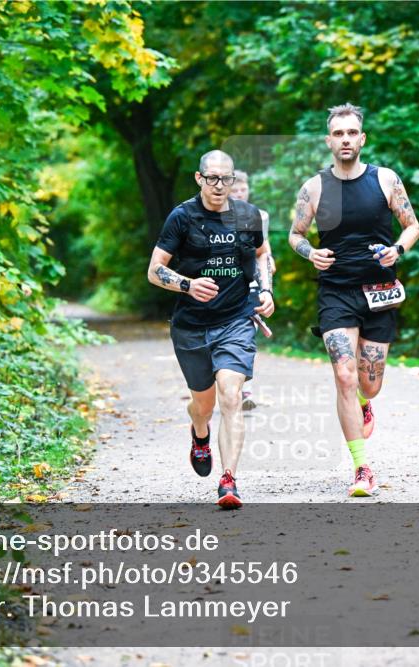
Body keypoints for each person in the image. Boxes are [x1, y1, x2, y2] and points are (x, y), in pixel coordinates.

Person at [288, 103, 419, 497]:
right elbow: (295, 235)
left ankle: (366, 401)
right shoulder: (313, 188)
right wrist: (310, 253)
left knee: (369, 383)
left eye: (352, 133)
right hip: (336, 292)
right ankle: (361, 467)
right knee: (344, 375)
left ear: (361, 139)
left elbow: (413, 226)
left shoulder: (385, 180)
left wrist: (397, 249)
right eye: (338, 133)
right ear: (329, 141)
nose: (345, 139)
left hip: (378, 291)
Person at [147, 150, 275, 508]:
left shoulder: (247, 215)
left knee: (231, 396)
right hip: (190, 326)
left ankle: (229, 480)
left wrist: (265, 290)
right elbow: (154, 270)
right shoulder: (182, 217)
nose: (220, 186)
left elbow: (263, 254)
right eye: (213, 178)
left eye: (227, 179)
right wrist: (188, 285)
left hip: (235, 320)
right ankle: (199, 435)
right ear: (199, 179)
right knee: (202, 405)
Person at [229, 170, 276, 411]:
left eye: (242, 189)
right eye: (234, 190)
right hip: (226, 281)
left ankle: (244, 389)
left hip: (252, 282)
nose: (239, 193)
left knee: (248, 331)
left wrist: (268, 263)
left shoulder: (259, 215)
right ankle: (229, 383)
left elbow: (263, 248)